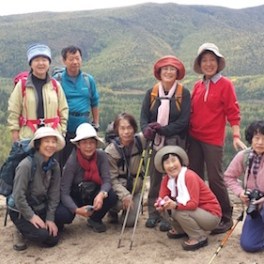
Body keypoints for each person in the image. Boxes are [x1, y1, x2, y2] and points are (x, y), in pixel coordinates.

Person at [188, 42, 247, 234]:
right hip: (194, 138)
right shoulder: (197, 85)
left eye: (212, 60)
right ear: (200, 64)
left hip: (213, 140)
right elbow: (191, 112)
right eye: (204, 60)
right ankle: (203, 211)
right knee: (194, 176)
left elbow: (233, 111)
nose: (208, 64)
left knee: (215, 178)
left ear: (218, 62)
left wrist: (236, 135)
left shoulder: (225, 84)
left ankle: (225, 216)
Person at [140, 55, 191, 231]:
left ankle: (168, 215)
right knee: (154, 177)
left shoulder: (183, 93)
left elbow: (184, 121)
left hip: (175, 142)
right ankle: (153, 212)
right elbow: (144, 117)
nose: (168, 72)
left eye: (172, 69)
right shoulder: (152, 93)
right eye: (165, 69)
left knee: (172, 178)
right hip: (156, 142)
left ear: (177, 73)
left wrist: (163, 130)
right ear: (159, 73)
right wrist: (147, 129)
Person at [154, 145, 221, 251]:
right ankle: (180, 230)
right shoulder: (167, 179)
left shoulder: (189, 176)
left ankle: (199, 237)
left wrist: (175, 205)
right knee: (167, 208)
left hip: (211, 215)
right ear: (163, 167)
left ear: (180, 162)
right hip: (196, 213)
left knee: (178, 211)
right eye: (167, 163)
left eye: (173, 161)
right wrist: (160, 205)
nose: (171, 165)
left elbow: (193, 204)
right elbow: (162, 197)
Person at [8, 127, 65, 250]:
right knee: (43, 235)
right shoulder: (26, 165)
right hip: (20, 209)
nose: (51, 145)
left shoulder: (54, 165)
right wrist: (31, 216)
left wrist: (50, 218)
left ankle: (36, 225)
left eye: (53, 141)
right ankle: (19, 230)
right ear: (38, 144)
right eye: (47, 141)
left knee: (54, 237)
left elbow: (54, 194)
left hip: (39, 205)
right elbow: (18, 196)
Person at [55, 123, 117, 233]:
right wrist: (77, 210)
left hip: (93, 192)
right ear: (78, 145)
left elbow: (107, 180)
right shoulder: (72, 163)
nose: (88, 146)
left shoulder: (101, 156)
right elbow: (64, 192)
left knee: (111, 195)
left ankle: (95, 219)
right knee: (64, 215)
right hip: (76, 195)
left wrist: (101, 194)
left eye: (91, 142)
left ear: (96, 143)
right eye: (84, 143)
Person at [7, 43, 68, 142]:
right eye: (36, 60)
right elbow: (14, 111)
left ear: (49, 63)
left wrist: (62, 130)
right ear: (31, 63)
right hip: (28, 137)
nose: (41, 63)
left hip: (52, 137)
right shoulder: (22, 85)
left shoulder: (55, 85)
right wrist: (15, 133)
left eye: (44, 60)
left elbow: (63, 109)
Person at [53, 45, 100, 169]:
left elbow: (94, 102)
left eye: (78, 58)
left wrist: (96, 123)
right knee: (62, 161)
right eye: (71, 59)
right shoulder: (57, 80)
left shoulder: (88, 80)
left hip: (83, 127)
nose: (75, 62)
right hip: (64, 128)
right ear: (64, 61)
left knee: (82, 163)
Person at [225, 120, 264, 252]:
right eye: (257, 138)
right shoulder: (245, 156)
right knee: (249, 245)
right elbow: (229, 176)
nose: (260, 142)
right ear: (251, 138)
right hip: (255, 206)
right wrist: (240, 192)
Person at [104, 113, 146, 226]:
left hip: (136, 189)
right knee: (114, 202)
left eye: (129, 128)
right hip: (120, 190)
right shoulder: (111, 151)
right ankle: (112, 210)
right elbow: (111, 179)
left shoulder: (140, 141)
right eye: (122, 128)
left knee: (128, 223)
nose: (126, 132)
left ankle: (128, 209)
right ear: (117, 130)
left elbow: (149, 134)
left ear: (134, 128)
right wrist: (124, 195)